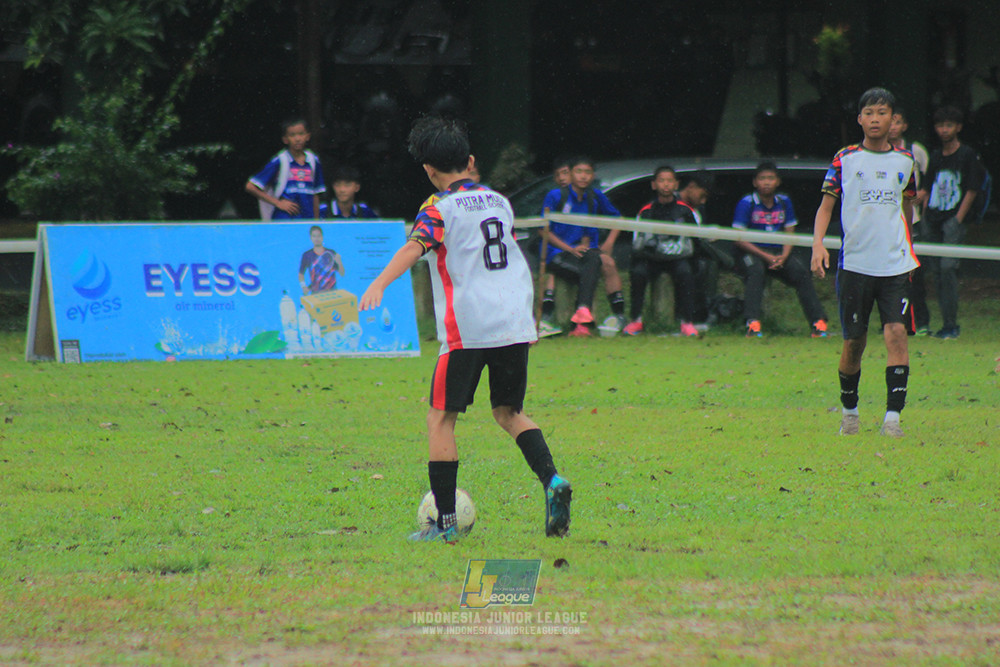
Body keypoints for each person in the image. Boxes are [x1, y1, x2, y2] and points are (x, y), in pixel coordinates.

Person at [359, 116, 571, 543]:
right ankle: (552, 481)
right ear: (471, 161)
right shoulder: (499, 201)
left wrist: (380, 282)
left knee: (441, 418)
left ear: (428, 170)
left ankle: (446, 525)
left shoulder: (438, 207)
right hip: (513, 321)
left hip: (468, 327)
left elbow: (415, 246)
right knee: (508, 412)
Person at [811, 87, 919, 438]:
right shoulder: (845, 158)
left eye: (882, 113)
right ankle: (850, 412)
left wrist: (909, 249)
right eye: (869, 113)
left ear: (894, 120)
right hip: (855, 265)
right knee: (854, 342)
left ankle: (892, 419)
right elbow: (826, 206)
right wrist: (817, 245)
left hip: (895, 265)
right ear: (860, 119)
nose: (875, 119)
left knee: (897, 334)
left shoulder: (905, 162)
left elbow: (907, 206)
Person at [732, 161, 829, 338]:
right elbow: (739, 238)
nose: (766, 182)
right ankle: (752, 323)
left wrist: (783, 256)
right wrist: (765, 256)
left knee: (801, 272)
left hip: (778, 253)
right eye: (762, 178)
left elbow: (789, 232)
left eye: (770, 178)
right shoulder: (747, 203)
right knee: (756, 271)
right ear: (755, 182)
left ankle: (818, 323)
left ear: (778, 181)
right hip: (753, 251)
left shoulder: (784, 202)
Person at [538, 156, 627, 337]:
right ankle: (551, 320)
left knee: (605, 261)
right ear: (570, 174)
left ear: (593, 175)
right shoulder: (556, 196)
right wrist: (569, 249)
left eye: (587, 172)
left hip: (583, 253)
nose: (583, 176)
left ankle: (617, 317)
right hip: (558, 253)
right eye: (579, 172)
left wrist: (609, 243)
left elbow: (619, 219)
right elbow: (543, 230)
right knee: (591, 267)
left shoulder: (595, 197)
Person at [917, 106, 986, 339]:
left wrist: (958, 219)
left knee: (948, 268)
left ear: (958, 127)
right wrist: (924, 215)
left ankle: (951, 324)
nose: (944, 130)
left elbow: (972, 189)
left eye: (948, 125)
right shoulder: (936, 156)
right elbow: (927, 188)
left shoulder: (967, 155)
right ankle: (946, 325)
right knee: (936, 272)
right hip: (933, 219)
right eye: (940, 125)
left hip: (953, 219)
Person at [624, 166, 702, 337]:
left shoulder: (686, 211)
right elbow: (637, 242)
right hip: (651, 258)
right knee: (638, 272)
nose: (665, 185)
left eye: (669, 181)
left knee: (686, 272)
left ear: (676, 184)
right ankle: (635, 320)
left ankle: (687, 322)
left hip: (678, 258)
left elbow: (696, 241)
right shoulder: (645, 211)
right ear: (654, 184)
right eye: (661, 180)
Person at [889, 109, 931, 334]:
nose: (893, 126)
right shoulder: (877, 152)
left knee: (915, 273)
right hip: (886, 222)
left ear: (905, 126)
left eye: (898, 122)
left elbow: (928, 180)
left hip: (911, 220)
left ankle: (921, 322)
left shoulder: (916, 151)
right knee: (887, 276)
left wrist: (921, 195)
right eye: (890, 122)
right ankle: (892, 321)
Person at [246, 118, 325, 220]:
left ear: (307, 136)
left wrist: (316, 220)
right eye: (292, 135)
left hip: (307, 218)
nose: (297, 139)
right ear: (285, 139)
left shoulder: (313, 161)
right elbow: (250, 186)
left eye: (301, 134)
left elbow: (315, 194)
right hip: (284, 218)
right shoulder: (280, 160)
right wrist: (278, 203)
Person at [298, 225, 344, 295]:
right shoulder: (306, 255)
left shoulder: (331, 253)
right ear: (311, 238)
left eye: (318, 236)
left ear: (322, 237)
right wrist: (303, 286)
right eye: (314, 236)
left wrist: (339, 262)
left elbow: (342, 273)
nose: (317, 238)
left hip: (332, 293)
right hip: (316, 294)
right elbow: (301, 274)